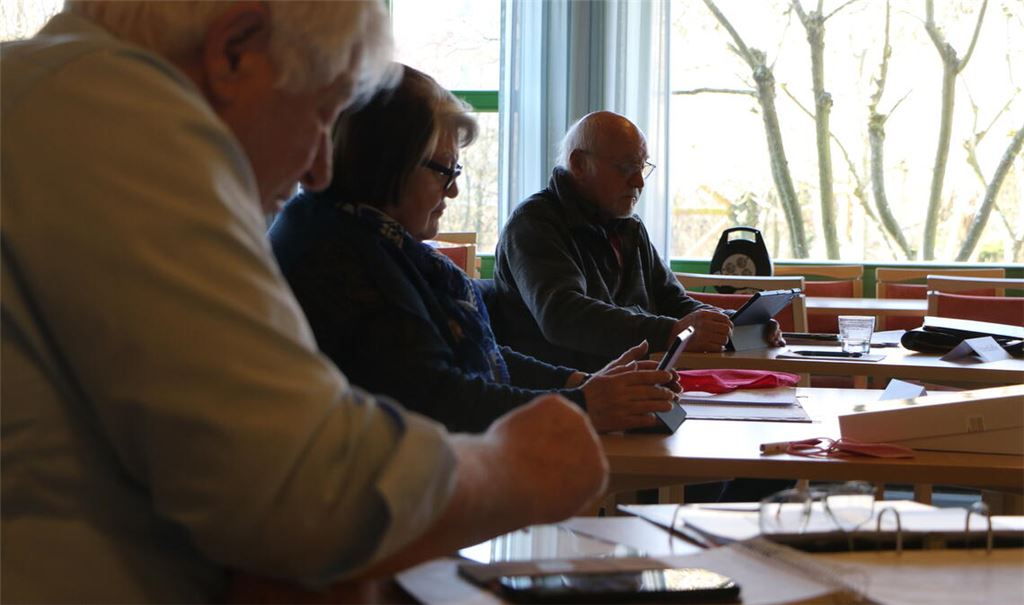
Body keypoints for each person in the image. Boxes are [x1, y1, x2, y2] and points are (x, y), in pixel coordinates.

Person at [0, 3, 606, 602]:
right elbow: (301, 493)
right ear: (236, 49)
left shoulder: (44, 89)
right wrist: (514, 468)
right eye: (322, 113)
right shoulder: (121, 119)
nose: (320, 168)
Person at [269, 65, 679, 434]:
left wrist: (577, 383)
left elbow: (479, 356)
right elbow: (439, 399)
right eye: (444, 170)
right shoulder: (334, 255)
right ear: (388, 163)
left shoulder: (365, 236)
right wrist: (584, 404)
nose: (454, 189)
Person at [494, 110, 783, 372]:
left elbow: (673, 301)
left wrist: (733, 324)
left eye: (642, 167)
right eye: (626, 167)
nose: (639, 182)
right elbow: (563, 316)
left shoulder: (628, 226)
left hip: (627, 385)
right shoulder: (534, 223)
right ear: (579, 164)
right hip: (562, 397)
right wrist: (669, 333)